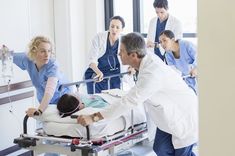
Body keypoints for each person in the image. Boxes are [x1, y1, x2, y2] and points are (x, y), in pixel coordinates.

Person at [76, 32, 198, 156]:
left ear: (133, 55)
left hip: (183, 114)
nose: (119, 54)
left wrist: (93, 117)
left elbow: (129, 101)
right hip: (168, 116)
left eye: (122, 51)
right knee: (161, 148)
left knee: (181, 154)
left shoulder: (152, 73)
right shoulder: (145, 60)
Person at [11, 36, 71, 116]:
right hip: (44, 102)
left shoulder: (53, 65)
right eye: (43, 51)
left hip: (63, 101)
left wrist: (39, 110)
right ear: (34, 51)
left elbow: (49, 90)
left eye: (49, 51)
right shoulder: (27, 59)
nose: (47, 55)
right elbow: (8, 55)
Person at [84, 15, 130, 94]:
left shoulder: (125, 40)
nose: (114, 29)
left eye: (117, 27)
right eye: (112, 26)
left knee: (114, 101)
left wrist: (131, 68)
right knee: (96, 103)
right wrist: (98, 72)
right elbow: (92, 60)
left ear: (122, 29)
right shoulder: (99, 37)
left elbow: (130, 57)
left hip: (114, 77)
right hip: (97, 75)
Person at [159, 30, 198, 94]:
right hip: (188, 81)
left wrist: (196, 68)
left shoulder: (186, 45)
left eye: (164, 40)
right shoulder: (168, 55)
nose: (162, 44)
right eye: (160, 42)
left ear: (173, 39)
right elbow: (173, 71)